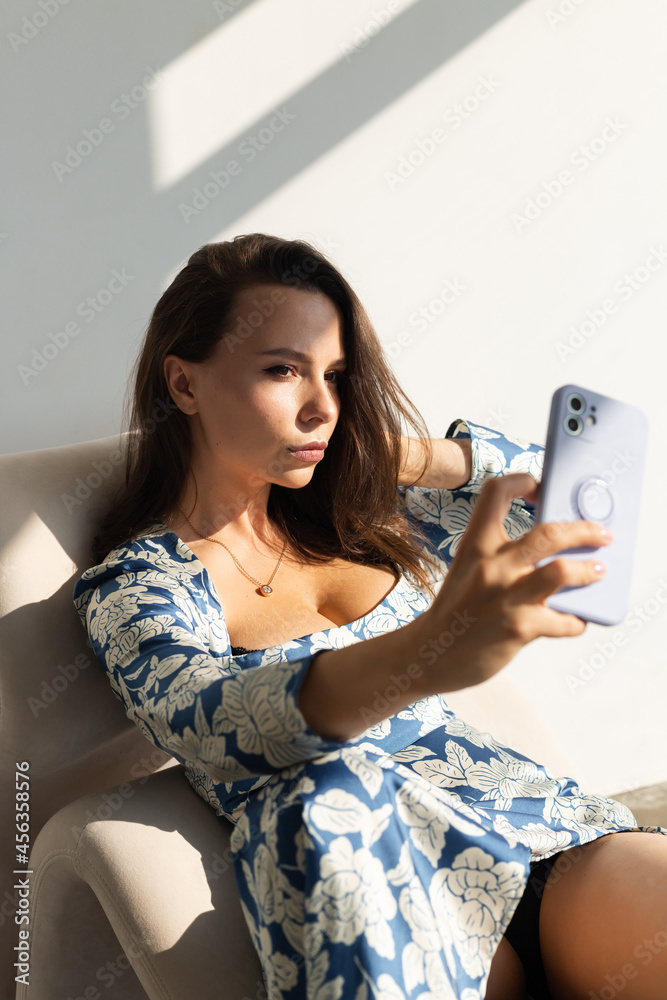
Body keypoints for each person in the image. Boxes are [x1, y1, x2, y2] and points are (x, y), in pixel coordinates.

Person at [72, 234, 667, 1000]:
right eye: (282, 370)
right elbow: (208, 725)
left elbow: (576, 498)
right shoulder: (140, 583)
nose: (321, 405)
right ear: (183, 384)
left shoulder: (363, 516)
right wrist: (425, 653)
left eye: (338, 376)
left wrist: (395, 454)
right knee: (314, 797)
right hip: (379, 885)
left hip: (541, 837)